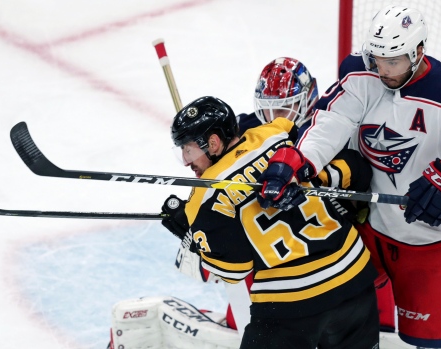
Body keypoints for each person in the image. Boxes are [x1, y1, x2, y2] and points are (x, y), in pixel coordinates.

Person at [257, 5, 441, 349]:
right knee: (323, 303)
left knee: (439, 345)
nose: (382, 70)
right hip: (370, 231)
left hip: (432, 246)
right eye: (377, 59)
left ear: (418, 52)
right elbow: (332, 122)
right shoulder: (361, 73)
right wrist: (295, 162)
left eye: (393, 61)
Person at [162, 96, 379, 348]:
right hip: (354, 278)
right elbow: (350, 165)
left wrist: (194, 236)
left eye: (188, 149)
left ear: (213, 142)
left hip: (290, 304)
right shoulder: (278, 132)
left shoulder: (204, 196)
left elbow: (233, 271)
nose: (187, 161)